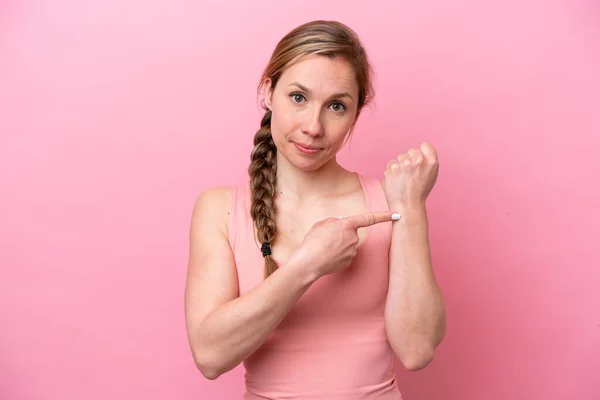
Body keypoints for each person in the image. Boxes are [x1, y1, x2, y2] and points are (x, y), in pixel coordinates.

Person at [184, 20, 446, 400]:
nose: (313, 126)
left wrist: (411, 207)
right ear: (268, 92)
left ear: (354, 116)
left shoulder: (390, 203)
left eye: (336, 106)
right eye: (298, 97)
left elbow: (417, 350)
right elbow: (210, 356)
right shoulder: (220, 209)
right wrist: (308, 263)